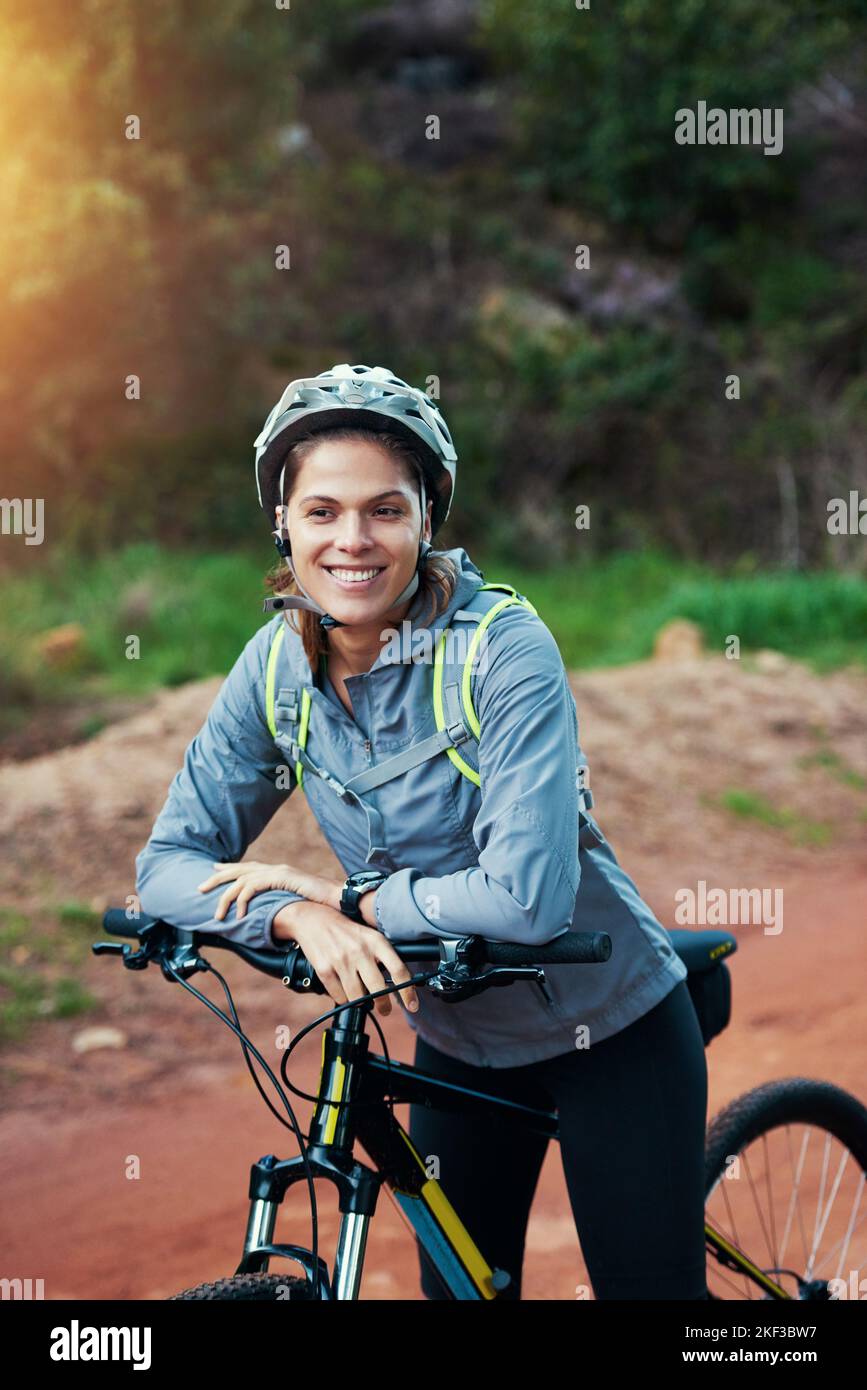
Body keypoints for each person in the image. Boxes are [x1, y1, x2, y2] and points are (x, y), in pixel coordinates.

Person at [135, 363, 709, 1300]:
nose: (351, 541)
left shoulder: (501, 648)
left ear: (426, 521)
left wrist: (354, 899)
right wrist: (293, 915)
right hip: (461, 1043)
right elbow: (163, 867)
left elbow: (526, 900)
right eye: (320, 512)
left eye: (384, 511)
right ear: (282, 522)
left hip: (608, 1030)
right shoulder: (276, 666)